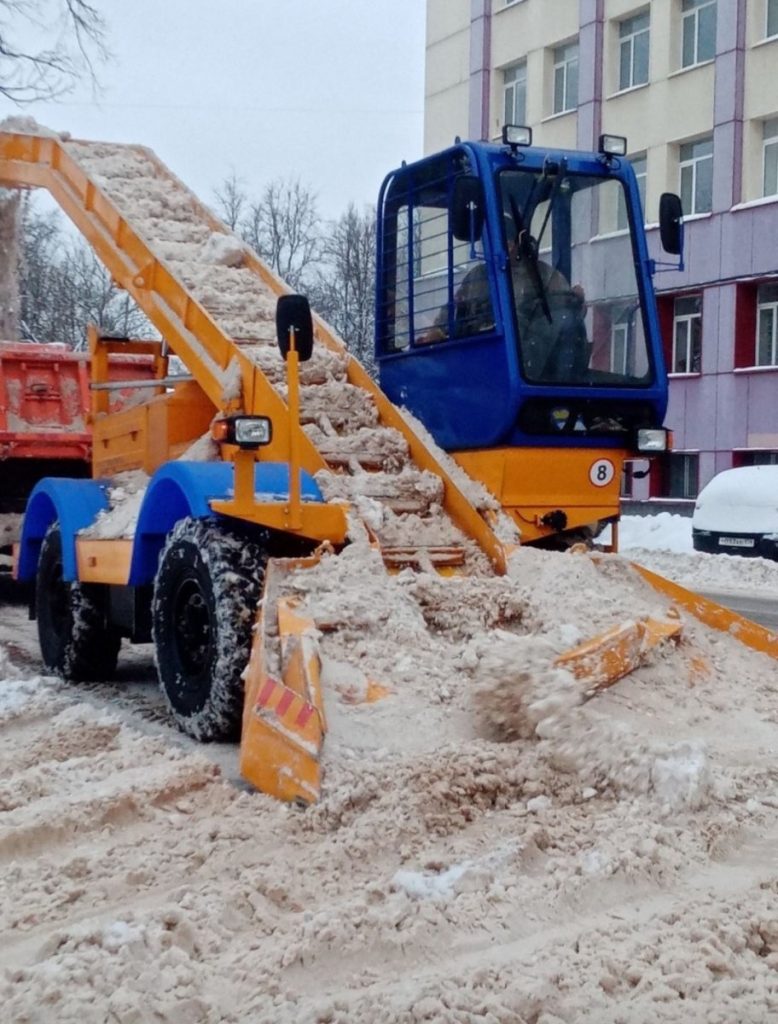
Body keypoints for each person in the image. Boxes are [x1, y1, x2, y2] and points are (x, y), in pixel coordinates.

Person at [419, 226, 589, 381]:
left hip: (536, 367)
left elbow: (568, 318)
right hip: (486, 367)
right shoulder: (478, 277)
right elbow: (453, 312)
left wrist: (576, 303)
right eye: (500, 241)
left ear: (521, 243)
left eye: (509, 241)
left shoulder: (546, 276)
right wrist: (436, 333)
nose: (505, 246)